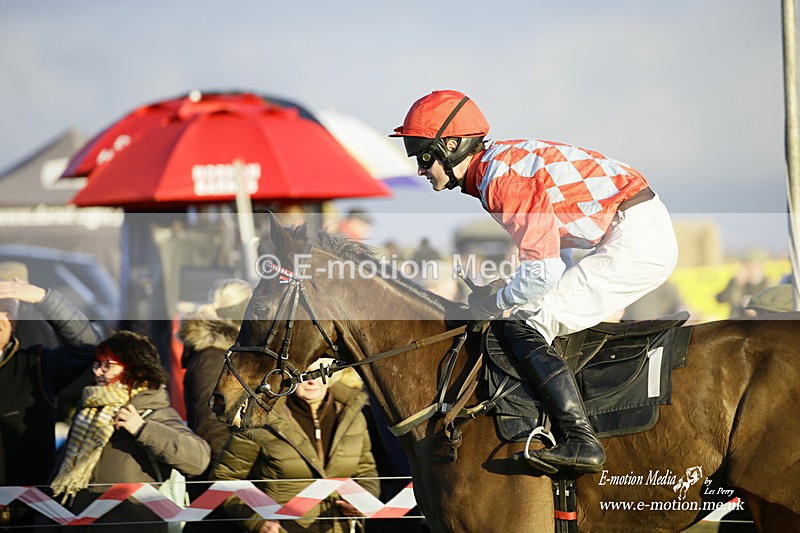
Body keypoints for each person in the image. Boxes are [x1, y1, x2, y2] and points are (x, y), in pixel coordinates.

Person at [390, 90, 678, 475]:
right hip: (630, 229)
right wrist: (505, 290)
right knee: (527, 310)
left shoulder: (499, 180)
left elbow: (543, 270)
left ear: (452, 144)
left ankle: (581, 440)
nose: (421, 169)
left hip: (636, 238)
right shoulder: (496, 167)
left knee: (527, 322)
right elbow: (553, 258)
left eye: (422, 154)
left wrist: (497, 302)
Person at [47, 330, 211, 532]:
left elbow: (198, 460)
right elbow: (58, 479)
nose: (98, 372)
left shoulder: (152, 411)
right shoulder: (87, 413)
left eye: (108, 365)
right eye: (97, 364)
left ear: (135, 369)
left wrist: (142, 429)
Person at [211, 358, 380, 533]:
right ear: (288, 374)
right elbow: (224, 478)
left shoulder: (354, 416)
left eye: (321, 371)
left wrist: (362, 502)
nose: (312, 380)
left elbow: (366, 472)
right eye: (305, 372)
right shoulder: (259, 420)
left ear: (334, 374)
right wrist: (256, 522)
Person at [0, 269, 102, 527]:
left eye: (8, 310)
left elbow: (89, 346)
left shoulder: (36, 364)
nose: (1, 318)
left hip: (28, 514)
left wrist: (45, 299)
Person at [179, 278, 253, 530]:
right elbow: (211, 425)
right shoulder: (213, 359)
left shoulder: (230, 355)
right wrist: (231, 479)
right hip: (218, 482)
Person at [715, 248, 771, 318]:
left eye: (754, 266)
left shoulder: (766, 283)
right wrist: (736, 283)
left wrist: (755, 283)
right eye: (748, 266)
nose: (751, 269)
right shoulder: (736, 281)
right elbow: (720, 299)